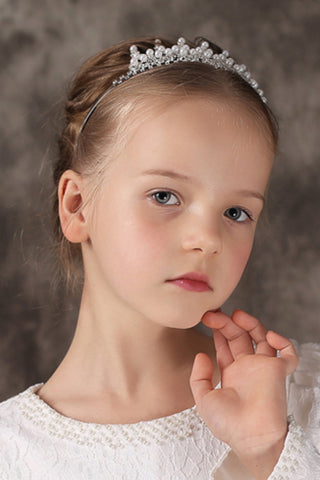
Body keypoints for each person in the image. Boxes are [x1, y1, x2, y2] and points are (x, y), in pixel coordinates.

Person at [0, 35, 319, 480]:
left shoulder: (304, 394)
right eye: (164, 195)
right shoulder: (11, 454)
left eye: (236, 212)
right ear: (77, 206)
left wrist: (265, 454)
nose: (208, 239)